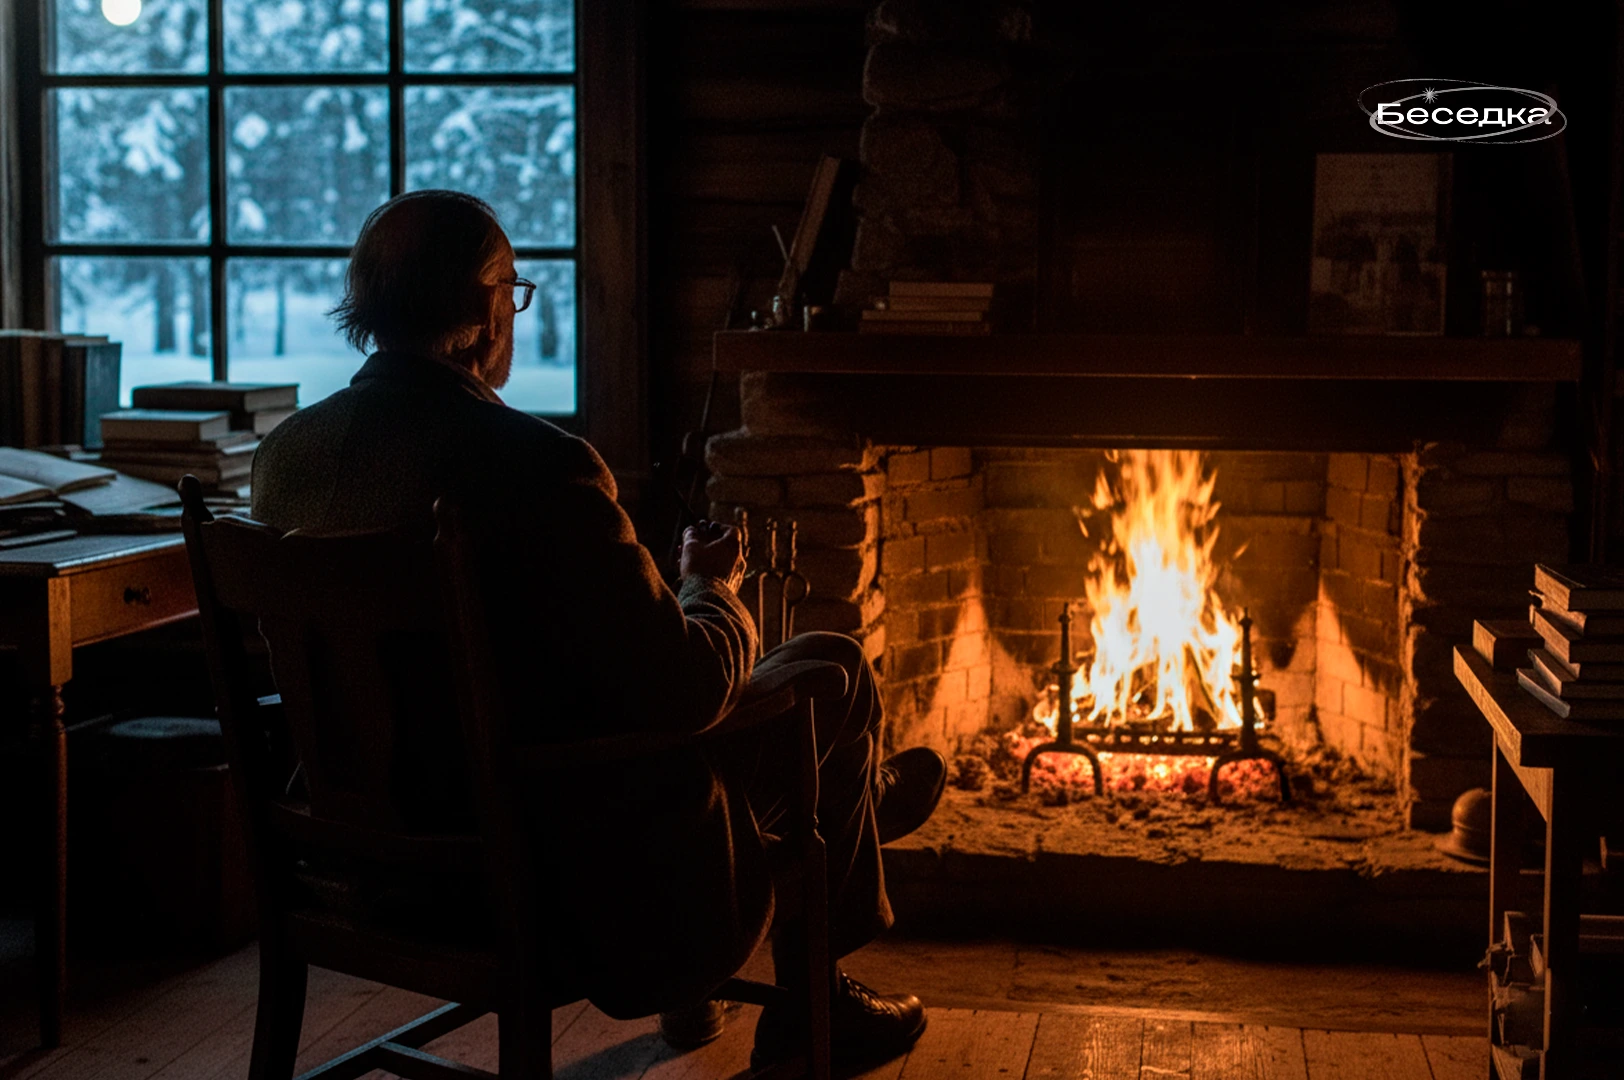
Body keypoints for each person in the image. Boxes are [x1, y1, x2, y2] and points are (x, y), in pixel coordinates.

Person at [250, 190, 947, 1069]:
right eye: (513, 286)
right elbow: (687, 692)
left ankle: (860, 805)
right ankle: (834, 942)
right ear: (482, 303)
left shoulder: (285, 459)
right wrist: (707, 583)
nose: (515, 306)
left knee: (786, 703)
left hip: (358, 869)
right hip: (558, 872)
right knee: (831, 667)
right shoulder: (538, 466)